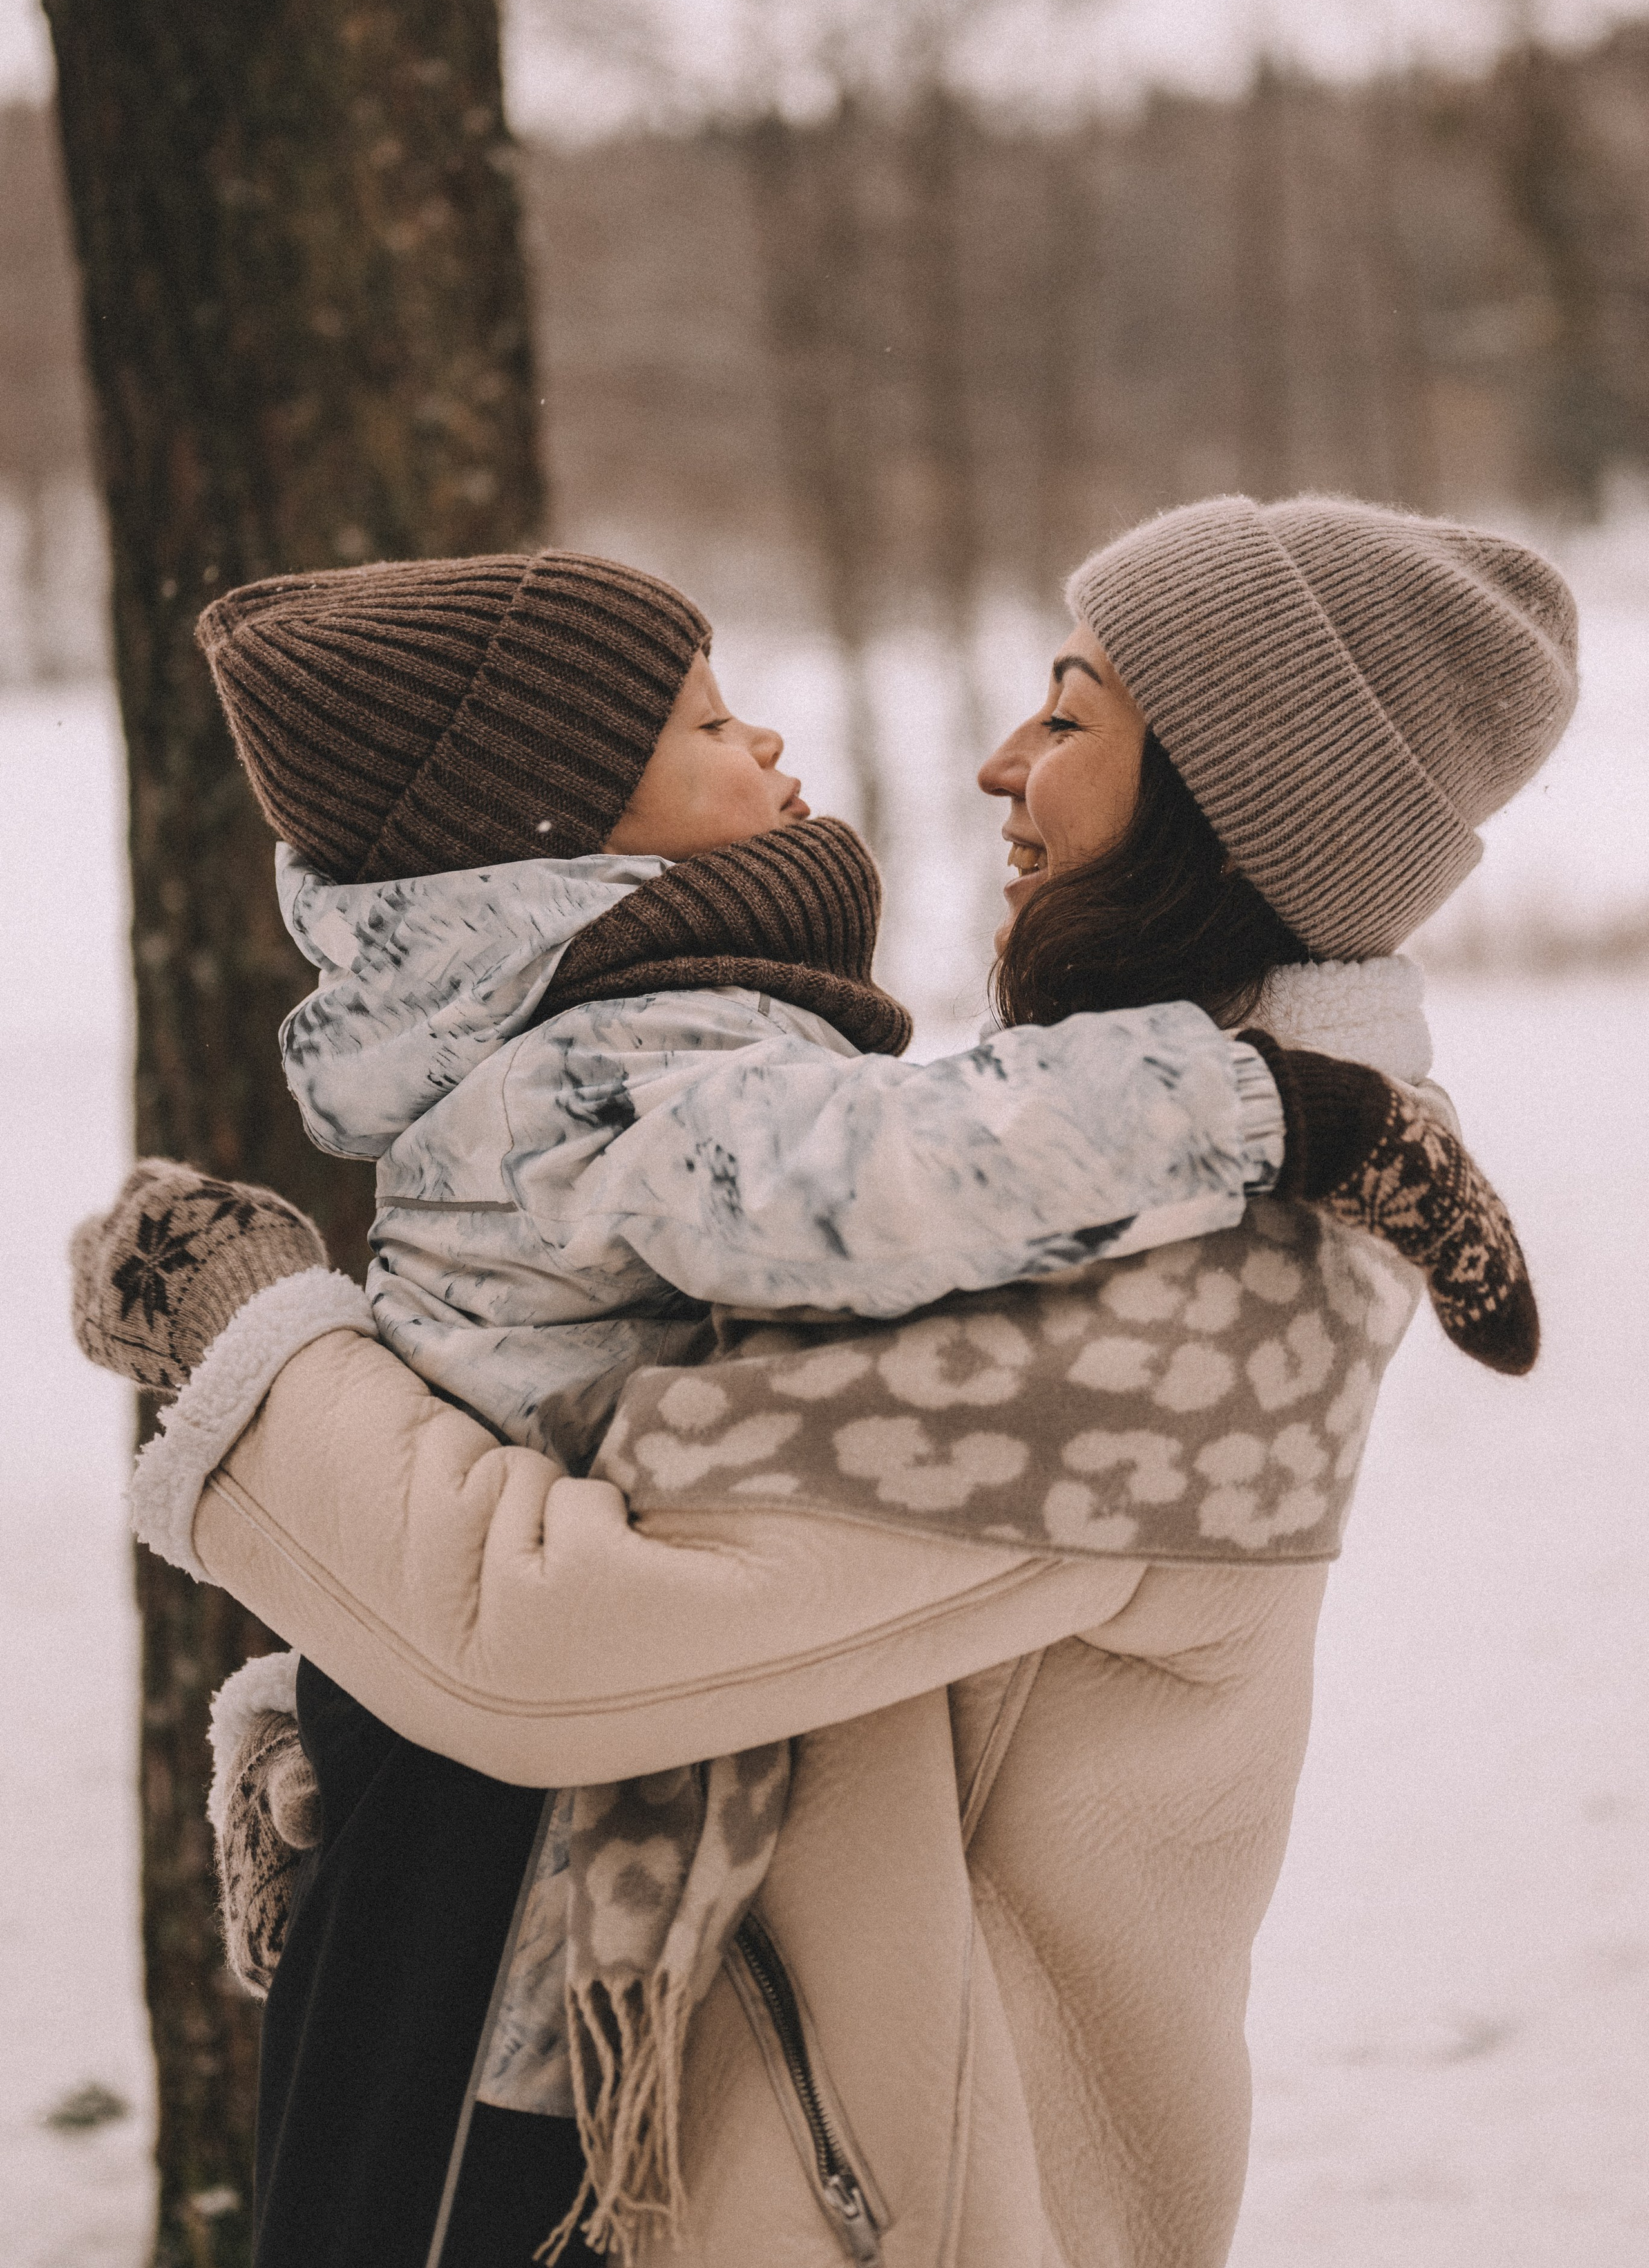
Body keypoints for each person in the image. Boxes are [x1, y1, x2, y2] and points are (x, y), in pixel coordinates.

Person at [71, 497, 1574, 2267]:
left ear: (1221, 805)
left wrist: (262, 1351)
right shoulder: (1095, 1181)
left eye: (1071, 714)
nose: (1003, 763)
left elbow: (552, 1632)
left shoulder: (1211, 1289)